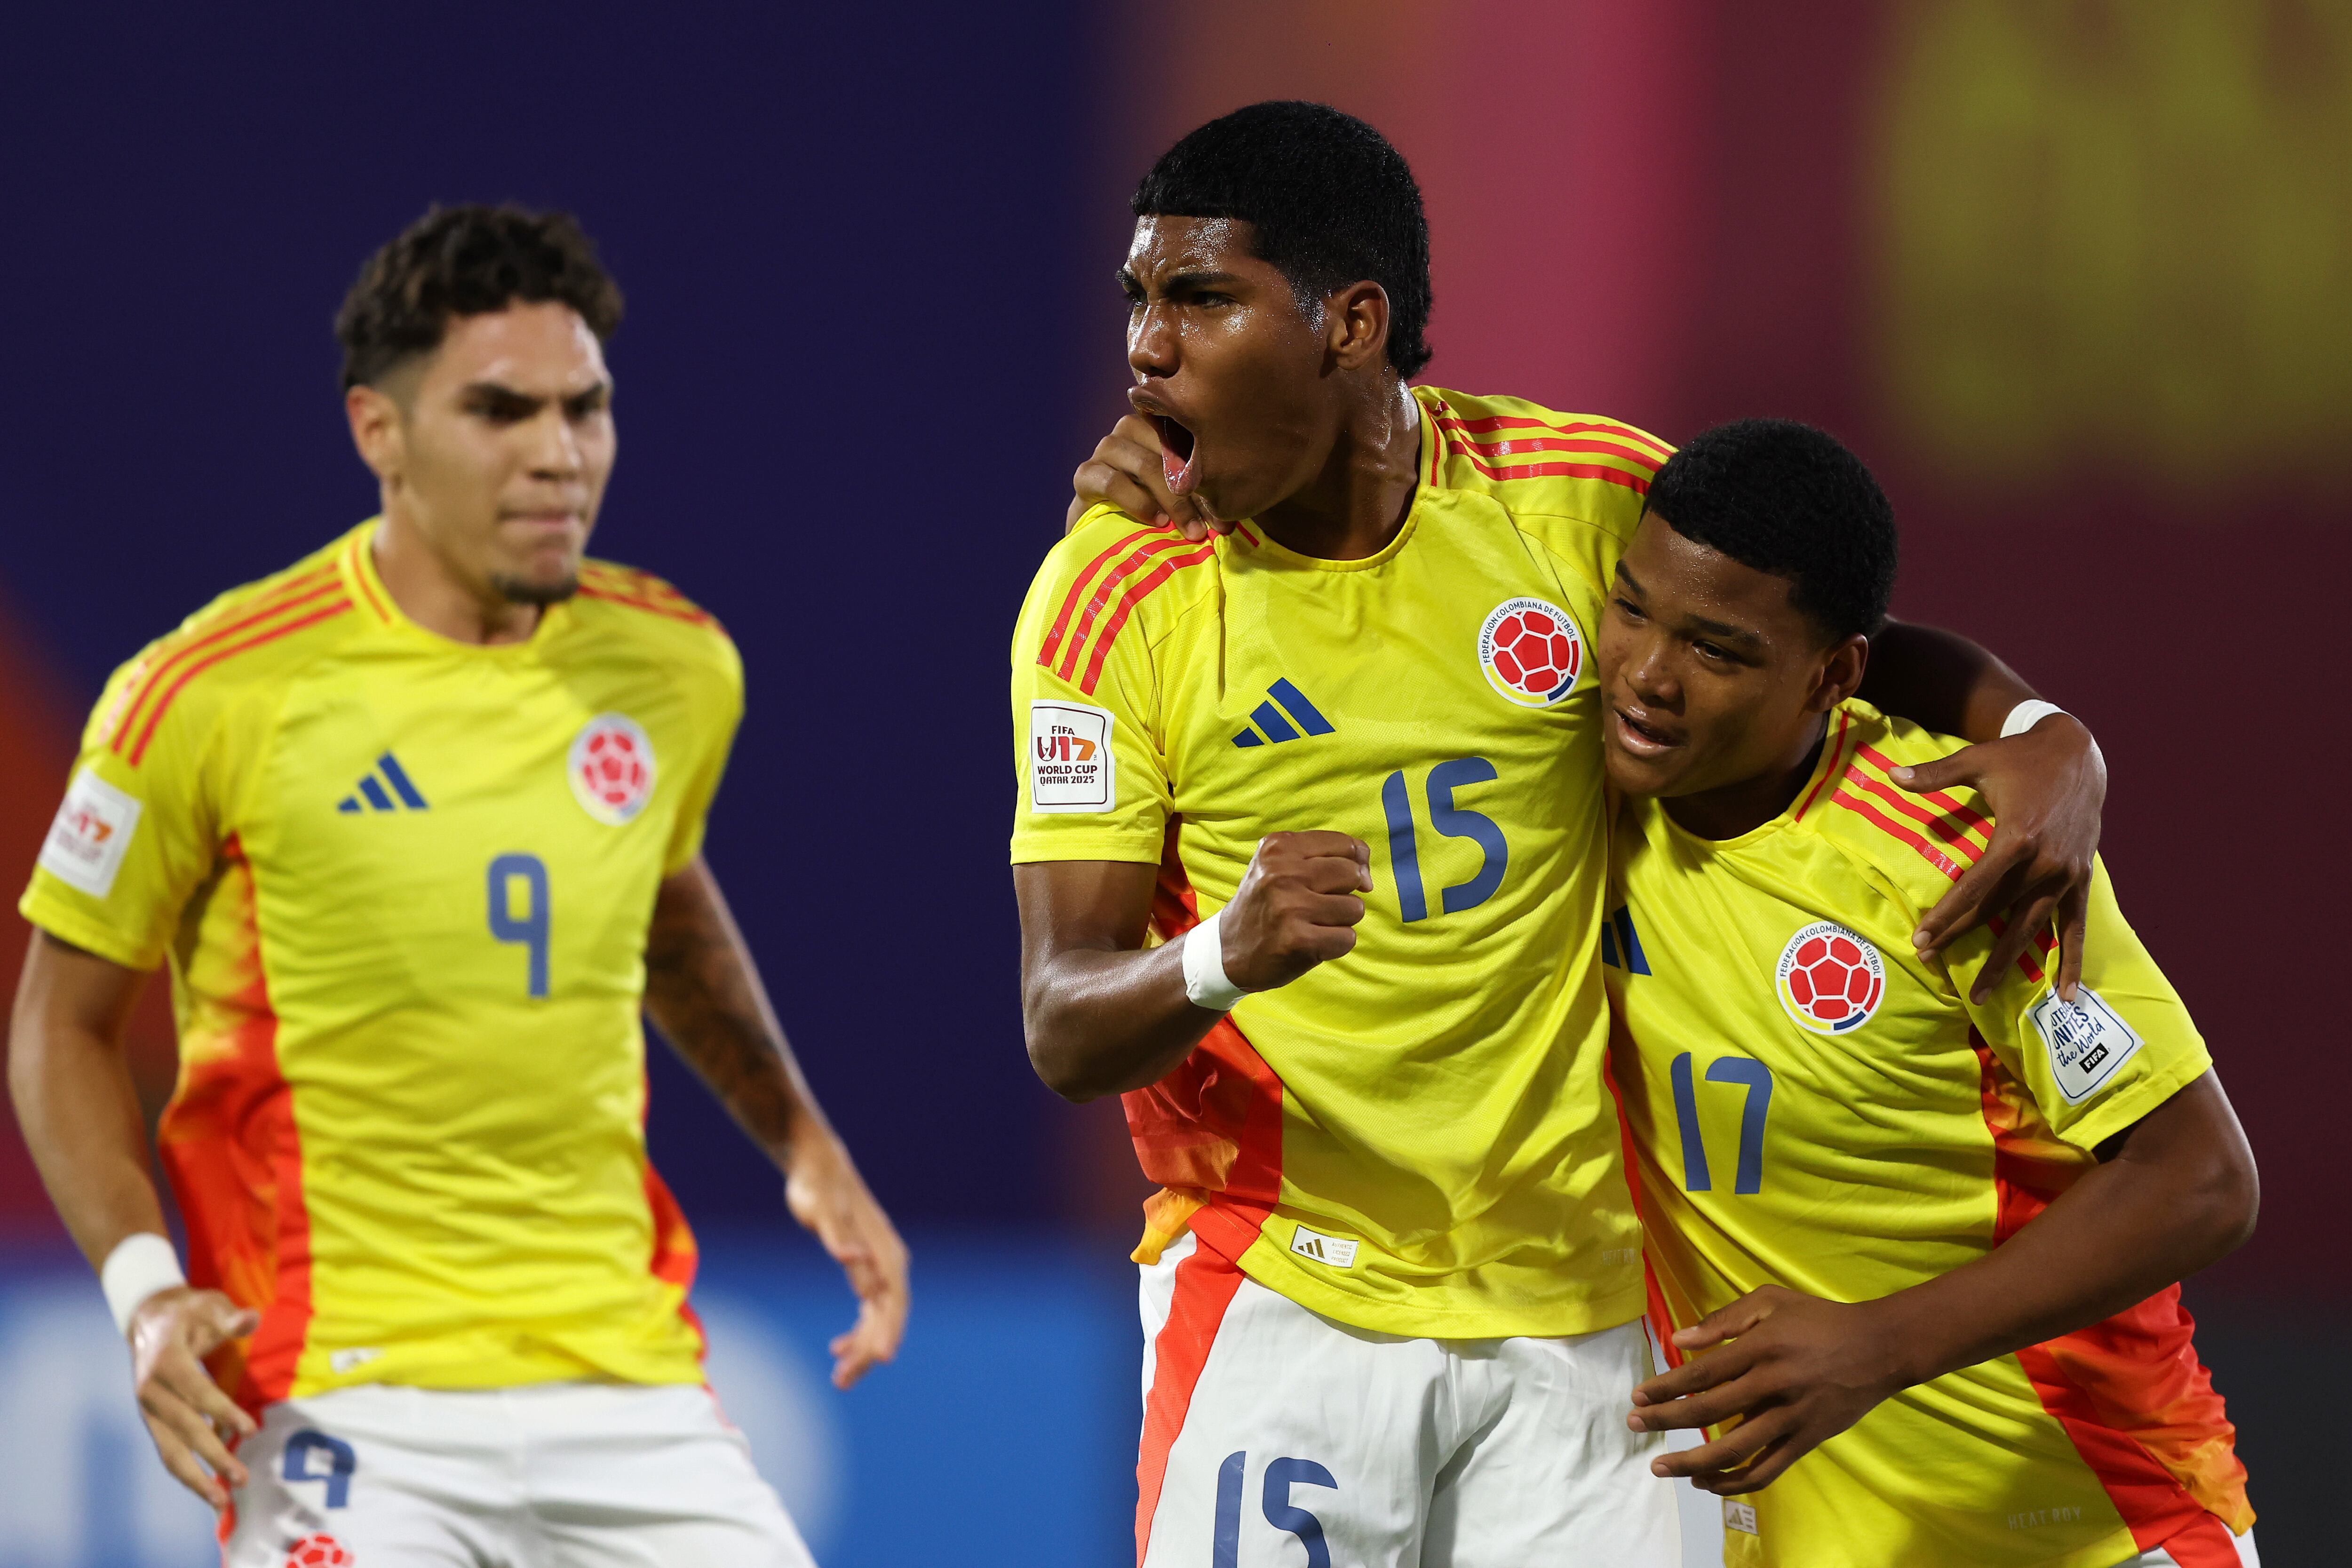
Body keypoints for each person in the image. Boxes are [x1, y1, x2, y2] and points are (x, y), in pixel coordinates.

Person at [1022, 101, 2108, 1566]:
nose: (1148, 347)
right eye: (1139, 298)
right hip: (1285, 1296)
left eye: (1202, 298)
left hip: (1594, 1325)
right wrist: (1226, 951)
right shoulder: (1113, 597)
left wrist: (2052, 736)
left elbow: (1815, 639)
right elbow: (1064, 1021)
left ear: (1352, 324)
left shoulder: (1574, 499)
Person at [8, 204, 908, 1568]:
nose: (559, 453)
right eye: (500, 410)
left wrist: (805, 1142)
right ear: (378, 430)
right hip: (338, 1387)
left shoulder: (673, 664)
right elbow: (59, 1026)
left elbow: (658, 898)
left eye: (584, 408)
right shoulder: (208, 694)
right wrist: (145, 1291)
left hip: (624, 1381)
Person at [1598, 419, 2257, 1568]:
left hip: (2091, 1530)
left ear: (1834, 675)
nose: (1648, 674)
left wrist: (1877, 1345)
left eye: (1717, 651)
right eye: (1629, 610)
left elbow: (2199, 1179)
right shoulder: (1566, 775)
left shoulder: (1959, 854)